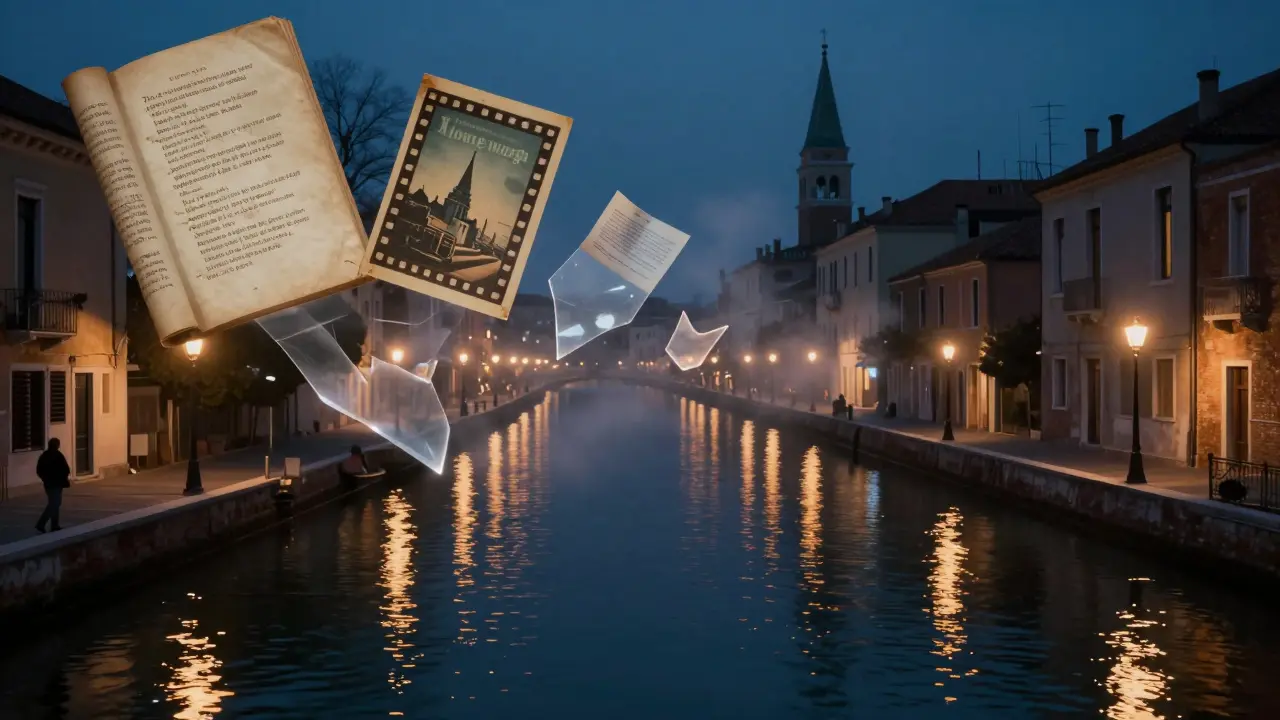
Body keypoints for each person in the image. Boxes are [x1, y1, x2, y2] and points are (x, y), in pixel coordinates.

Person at [35, 438, 71, 533]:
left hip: (52, 483)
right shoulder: (56, 455)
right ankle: (41, 523)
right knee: (54, 504)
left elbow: (39, 470)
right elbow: (66, 469)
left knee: (55, 503)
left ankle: (55, 525)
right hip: (54, 484)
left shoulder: (46, 455)